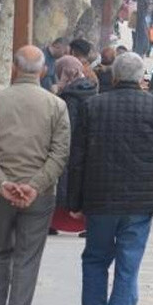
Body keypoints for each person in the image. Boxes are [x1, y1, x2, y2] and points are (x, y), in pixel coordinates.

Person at [67, 53, 153, 305]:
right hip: (139, 202)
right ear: (141, 77)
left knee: (95, 259)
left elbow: (76, 158)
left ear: (114, 77)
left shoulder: (93, 106)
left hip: (100, 198)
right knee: (128, 266)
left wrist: (74, 201)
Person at [0, 46, 71, 305]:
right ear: (43, 71)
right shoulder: (56, 106)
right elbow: (60, 152)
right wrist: (35, 185)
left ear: (14, 69)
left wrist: (2, 183)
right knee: (28, 257)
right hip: (37, 196)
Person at [52, 56, 99, 235]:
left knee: (64, 184)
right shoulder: (91, 88)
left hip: (70, 145)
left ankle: (58, 222)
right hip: (89, 144)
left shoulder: (69, 95)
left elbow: (68, 123)